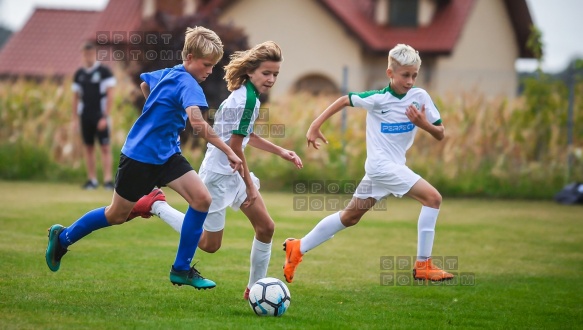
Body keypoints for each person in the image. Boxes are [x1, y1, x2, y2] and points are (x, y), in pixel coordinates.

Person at [45, 27, 243, 290]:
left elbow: (145, 83)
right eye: (206, 64)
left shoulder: (171, 73)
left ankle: (181, 269)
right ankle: (63, 238)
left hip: (167, 154)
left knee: (202, 199)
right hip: (139, 156)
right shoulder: (188, 83)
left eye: (213, 66)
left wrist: (159, 116)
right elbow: (197, 123)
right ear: (190, 56)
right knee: (116, 215)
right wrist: (229, 150)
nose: (209, 71)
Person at [130, 41, 303, 299]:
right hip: (218, 176)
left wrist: (281, 151)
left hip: (232, 170)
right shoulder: (245, 100)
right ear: (251, 71)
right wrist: (248, 185)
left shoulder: (250, 96)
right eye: (266, 73)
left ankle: (254, 289)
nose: (271, 79)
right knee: (209, 245)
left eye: (275, 74)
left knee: (266, 227)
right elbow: (236, 147)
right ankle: (157, 205)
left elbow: (246, 137)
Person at [282, 44, 454, 283]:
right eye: (405, 75)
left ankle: (298, 247)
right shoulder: (378, 99)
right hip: (381, 167)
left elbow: (440, 133)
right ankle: (423, 266)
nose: (410, 81)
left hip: (389, 168)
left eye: (414, 75)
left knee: (349, 217)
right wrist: (314, 125)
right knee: (433, 198)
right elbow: (344, 100)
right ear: (390, 73)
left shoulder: (420, 97)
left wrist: (423, 123)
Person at [72, 41, 116, 190]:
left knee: (105, 147)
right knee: (89, 147)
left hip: (100, 115)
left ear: (95, 54)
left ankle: (108, 180)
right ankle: (92, 180)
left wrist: (105, 116)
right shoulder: (79, 74)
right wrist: (74, 120)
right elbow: (75, 97)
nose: (87, 57)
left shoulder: (104, 72)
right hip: (85, 116)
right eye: (85, 54)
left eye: (90, 54)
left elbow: (110, 95)